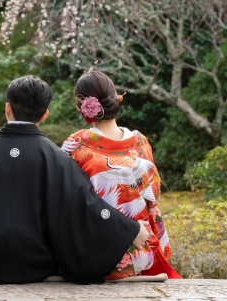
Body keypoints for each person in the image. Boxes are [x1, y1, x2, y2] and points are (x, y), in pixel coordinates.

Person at [0, 75, 150, 284]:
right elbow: (85, 206)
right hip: (32, 266)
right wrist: (128, 230)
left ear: (7, 109)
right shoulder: (56, 158)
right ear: (45, 114)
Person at [61, 70, 180, 280]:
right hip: (142, 253)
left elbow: (67, 202)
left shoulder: (77, 144)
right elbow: (154, 195)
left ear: (83, 107)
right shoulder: (140, 142)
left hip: (96, 254)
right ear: (115, 98)